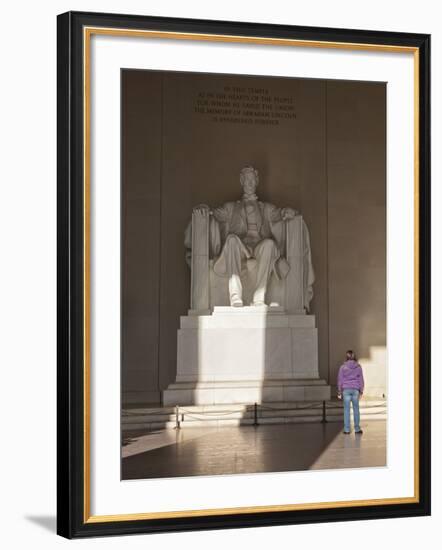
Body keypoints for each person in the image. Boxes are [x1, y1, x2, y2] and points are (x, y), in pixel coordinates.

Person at [188, 166, 311, 307]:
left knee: (270, 244)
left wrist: (289, 212)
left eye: (252, 179)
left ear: (257, 181)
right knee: (232, 240)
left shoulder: (265, 208)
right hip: (240, 246)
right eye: (247, 179)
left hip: (258, 246)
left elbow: (280, 213)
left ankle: (259, 296)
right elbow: (214, 213)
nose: (250, 183)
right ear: (242, 181)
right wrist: (204, 209)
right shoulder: (231, 207)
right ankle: (235, 294)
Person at [337, 350, 365, 434]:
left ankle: (347, 429)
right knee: (356, 409)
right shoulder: (358, 367)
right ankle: (357, 429)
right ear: (354, 356)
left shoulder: (343, 367)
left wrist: (339, 391)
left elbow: (340, 380)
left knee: (346, 410)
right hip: (355, 389)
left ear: (347, 357)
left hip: (346, 390)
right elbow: (361, 380)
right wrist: (361, 391)